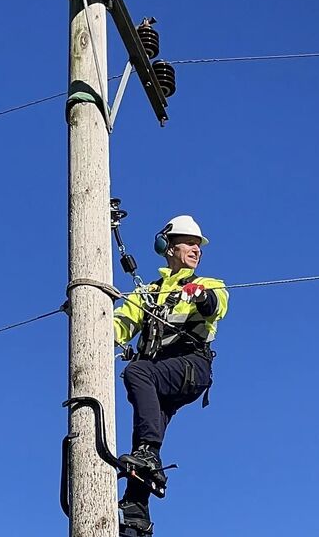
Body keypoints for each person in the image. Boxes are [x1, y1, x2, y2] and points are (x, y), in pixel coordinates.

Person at [113, 215, 229, 535]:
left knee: (137, 373)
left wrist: (200, 295)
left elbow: (216, 305)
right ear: (168, 246)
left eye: (198, 245)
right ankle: (136, 515)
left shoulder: (208, 284)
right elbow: (120, 325)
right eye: (189, 243)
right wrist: (90, 316)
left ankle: (148, 455)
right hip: (162, 374)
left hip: (191, 367)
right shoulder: (147, 294)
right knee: (145, 435)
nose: (196, 249)